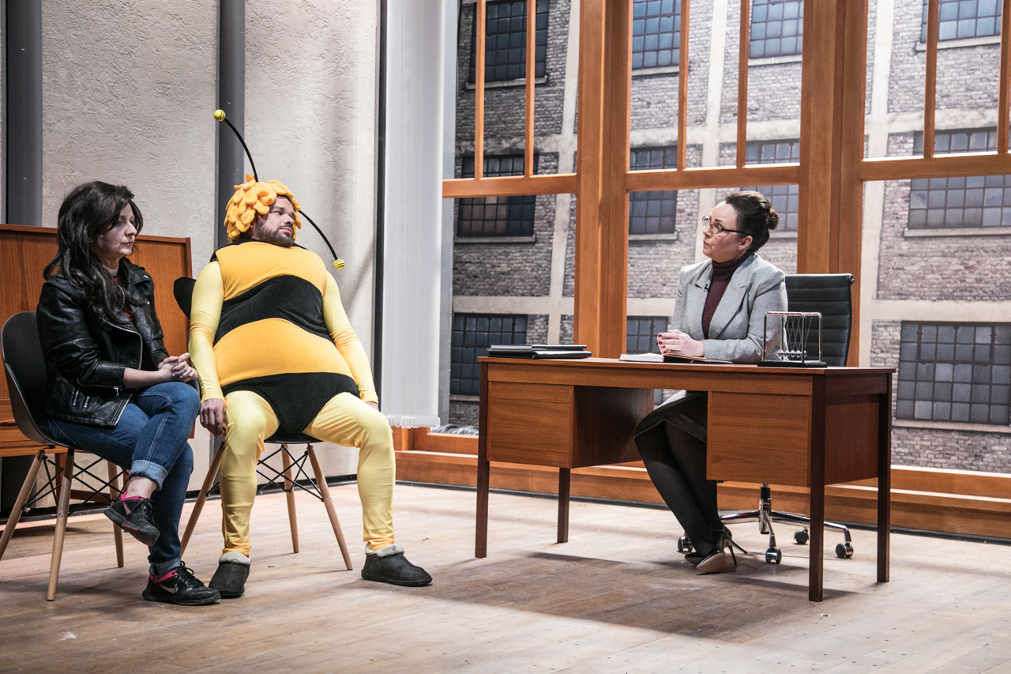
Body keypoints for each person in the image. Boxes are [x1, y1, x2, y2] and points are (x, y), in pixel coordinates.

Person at [188, 176, 431, 598]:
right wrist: (210, 392)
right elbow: (200, 334)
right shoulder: (220, 266)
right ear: (250, 218)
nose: (290, 219)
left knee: (376, 429)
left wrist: (368, 394)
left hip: (322, 394)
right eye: (278, 212)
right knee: (243, 430)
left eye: (291, 213)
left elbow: (345, 336)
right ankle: (235, 555)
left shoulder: (314, 266)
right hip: (251, 391)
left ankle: (382, 551)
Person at [36, 181, 220, 605]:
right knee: (179, 456)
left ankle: (135, 495)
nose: (131, 230)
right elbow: (84, 370)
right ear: (88, 230)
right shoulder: (62, 291)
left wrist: (172, 368)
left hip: (127, 393)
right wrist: (156, 377)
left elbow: (151, 348)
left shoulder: (136, 280)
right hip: (82, 403)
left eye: (132, 221)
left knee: (183, 394)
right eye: (118, 223)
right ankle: (165, 572)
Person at [635, 190, 787, 574]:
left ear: (744, 241)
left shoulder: (767, 279)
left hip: (748, 398)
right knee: (648, 432)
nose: (707, 231)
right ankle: (710, 538)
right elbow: (682, 338)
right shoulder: (690, 276)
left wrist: (699, 348)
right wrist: (674, 347)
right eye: (709, 222)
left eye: (718, 227)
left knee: (679, 427)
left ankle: (709, 540)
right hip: (700, 392)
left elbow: (759, 347)